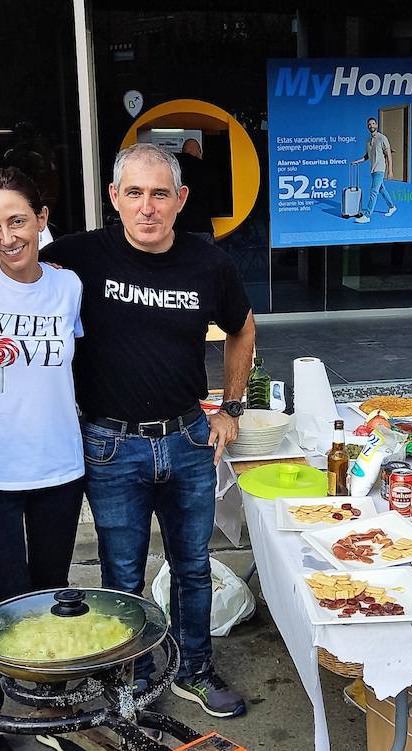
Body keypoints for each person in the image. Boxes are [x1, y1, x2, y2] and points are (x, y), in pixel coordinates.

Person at [41, 143, 256, 718]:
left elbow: (243, 328)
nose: (147, 207)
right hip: (111, 446)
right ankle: (129, 681)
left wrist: (232, 407)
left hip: (188, 438)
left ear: (181, 199)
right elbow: (8, 268)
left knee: (193, 566)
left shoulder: (209, 263)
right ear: (114, 197)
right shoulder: (76, 256)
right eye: (134, 193)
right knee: (122, 575)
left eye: (160, 194)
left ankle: (194, 671)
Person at [0, 166, 92, 751]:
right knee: (8, 605)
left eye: (17, 221)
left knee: (51, 594)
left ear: (42, 219)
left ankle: (49, 710)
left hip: (60, 468)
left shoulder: (68, 286)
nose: (6, 237)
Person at [352, 116, 396, 223]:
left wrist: (390, 170)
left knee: (373, 192)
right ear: (368, 127)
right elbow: (367, 156)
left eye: (373, 123)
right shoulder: (368, 141)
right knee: (381, 189)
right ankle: (392, 207)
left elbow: (388, 154)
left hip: (380, 169)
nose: (371, 125)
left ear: (376, 125)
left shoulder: (382, 138)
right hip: (373, 170)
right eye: (369, 124)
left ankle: (367, 216)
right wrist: (357, 161)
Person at [174, 138, 216, 242]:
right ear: (200, 152)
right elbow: (216, 205)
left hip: (177, 227)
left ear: (182, 151)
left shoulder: (173, 169)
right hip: (201, 227)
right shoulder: (208, 169)